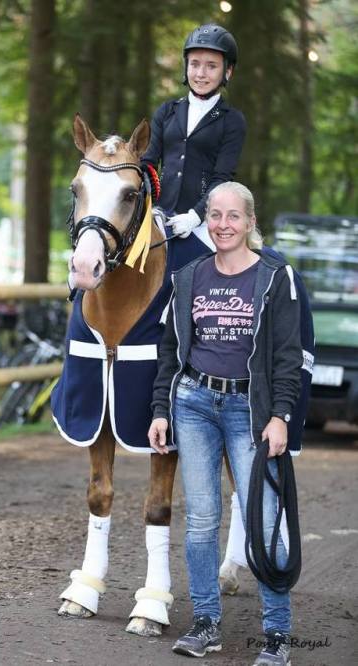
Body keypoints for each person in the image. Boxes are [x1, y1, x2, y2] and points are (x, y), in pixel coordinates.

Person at [148, 181, 302, 665]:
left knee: (265, 521)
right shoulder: (189, 276)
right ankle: (206, 625)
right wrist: (159, 409)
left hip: (248, 415)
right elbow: (170, 349)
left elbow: (287, 358)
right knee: (200, 522)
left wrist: (280, 416)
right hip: (194, 405)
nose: (222, 225)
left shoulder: (276, 279)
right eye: (214, 215)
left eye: (233, 216)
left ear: (251, 222)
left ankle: (277, 637)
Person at [141, 24, 246, 241]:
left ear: (227, 71)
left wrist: (196, 216)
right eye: (194, 64)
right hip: (158, 218)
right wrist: (150, 206)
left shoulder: (232, 120)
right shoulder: (167, 111)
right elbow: (148, 164)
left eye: (211, 66)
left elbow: (222, 178)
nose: (200, 74)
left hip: (204, 224)